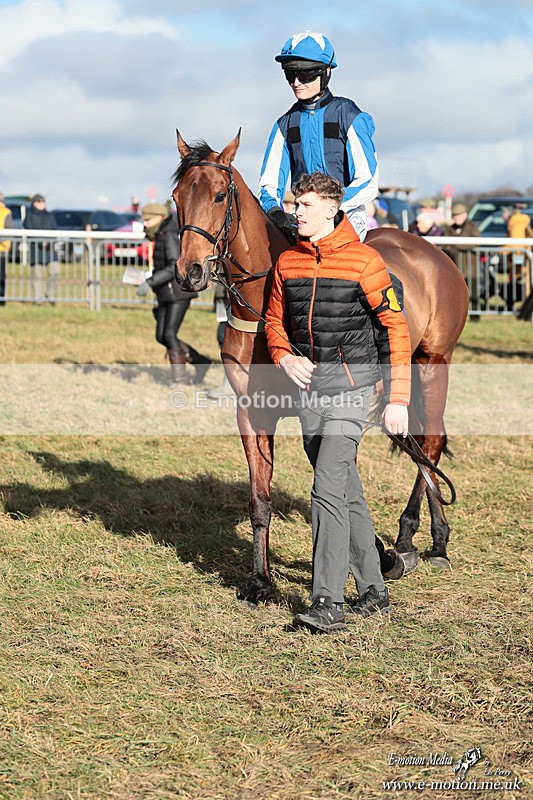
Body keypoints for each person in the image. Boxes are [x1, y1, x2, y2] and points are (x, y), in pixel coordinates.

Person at [265, 172, 411, 633]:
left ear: (332, 208)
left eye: (305, 205)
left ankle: (327, 600)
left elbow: (396, 330)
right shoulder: (286, 261)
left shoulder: (366, 263)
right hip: (310, 394)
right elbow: (272, 322)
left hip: (352, 392)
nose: (296, 213)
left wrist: (397, 399)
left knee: (326, 487)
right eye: (295, 204)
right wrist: (284, 355)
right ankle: (374, 588)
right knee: (345, 489)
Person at [259, 30, 379, 242]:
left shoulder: (349, 115)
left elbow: (368, 182)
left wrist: (327, 205)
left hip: (346, 215)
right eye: (290, 75)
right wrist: (275, 212)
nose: (296, 82)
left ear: (326, 72)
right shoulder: (284, 124)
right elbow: (269, 185)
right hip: (303, 218)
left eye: (305, 75)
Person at [135, 203, 211, 384]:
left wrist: (149, 282)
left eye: (147, 220)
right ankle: (201, 362)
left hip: (177, 293)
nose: (145, 224)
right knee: (161, 335)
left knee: (168, 335)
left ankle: (180, 380)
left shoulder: (168, 234)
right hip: (165, 292)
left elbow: (172, 266)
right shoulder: (161, 233)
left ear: (159, 217)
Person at [442, 203, 481, 319]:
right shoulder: (450, 229)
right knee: (455, 292)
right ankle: (456, 316)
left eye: (459, 215)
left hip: (470, 266)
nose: (456, 218)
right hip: (454, 266)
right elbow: (444, 243)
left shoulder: (472, 227)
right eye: (455, 215)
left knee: (472, 290)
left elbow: (476, 241)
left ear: (465, 215)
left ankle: (475, 315)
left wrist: (456, 245)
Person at [22, 193, 59, 304]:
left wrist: (49, 242)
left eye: (43, 201)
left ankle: (49, 294)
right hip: (35, 249)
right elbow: (28, 229)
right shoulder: (29, 215)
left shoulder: (49, 215)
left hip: (50, 250)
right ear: (34, 203)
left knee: (55, 271)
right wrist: (40, 241)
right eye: (39, 201)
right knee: (37, 275)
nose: (41, 204)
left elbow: (55, 230)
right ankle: (38, 299)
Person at [505, 203, 532, 312]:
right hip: (523, 252)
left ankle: (512, 304)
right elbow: (529, 233)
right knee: (520, 278)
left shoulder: (512, 222)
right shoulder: (525, 221)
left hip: (515, 253)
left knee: (514, 278)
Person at [0, 192, 13, 306]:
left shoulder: (6, 212)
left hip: (2, 249)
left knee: (1, 275)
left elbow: (9, 230)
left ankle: (2, 299)